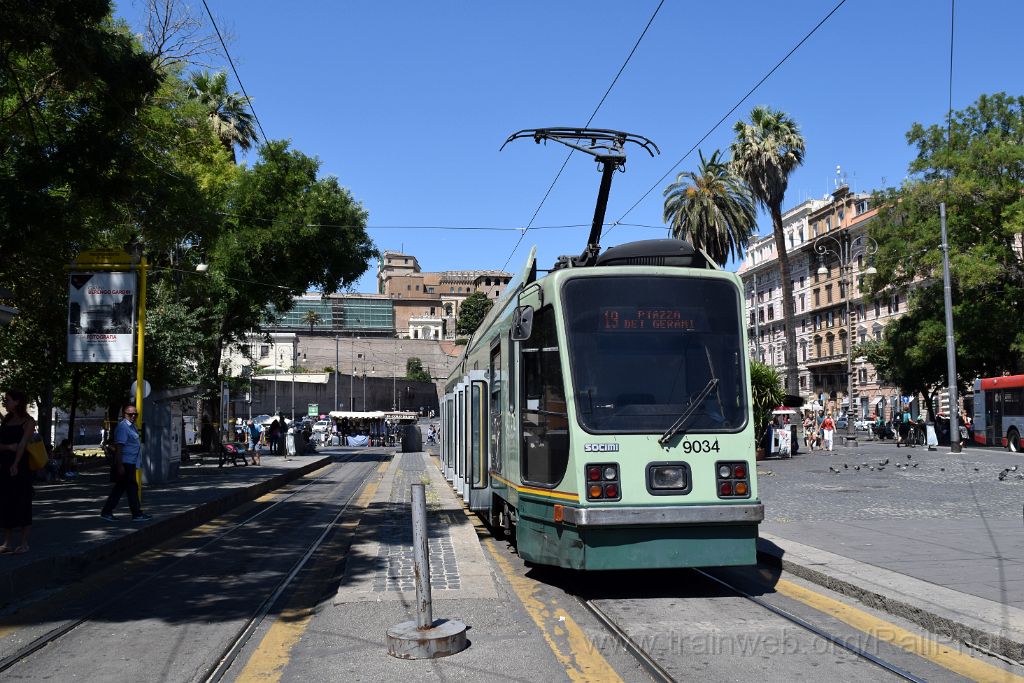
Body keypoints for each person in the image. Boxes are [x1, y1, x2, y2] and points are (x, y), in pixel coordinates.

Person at [100, 404, 152, 523]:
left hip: (131, 463)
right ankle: (136, 513)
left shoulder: (132, 426)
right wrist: (120, 465)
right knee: (131, 488)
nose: (133, 416)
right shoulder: (123, 427)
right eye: (130, 414)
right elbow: (119, 448)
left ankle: (107, 511)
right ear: (125, 414)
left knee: (121, 488)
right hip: (125, 463)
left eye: (135, 414)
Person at [0, 390, 35, 554]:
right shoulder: (6, 420)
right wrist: (8, 447)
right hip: (4, 465)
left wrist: (15, 463)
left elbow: (22, 445)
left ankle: (24, 543)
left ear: (17, 402)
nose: (4, 402)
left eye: (7, 400)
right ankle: (7, 542)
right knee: (6, 502)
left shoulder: (28, 421)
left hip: (21, 467)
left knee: (22, 502)